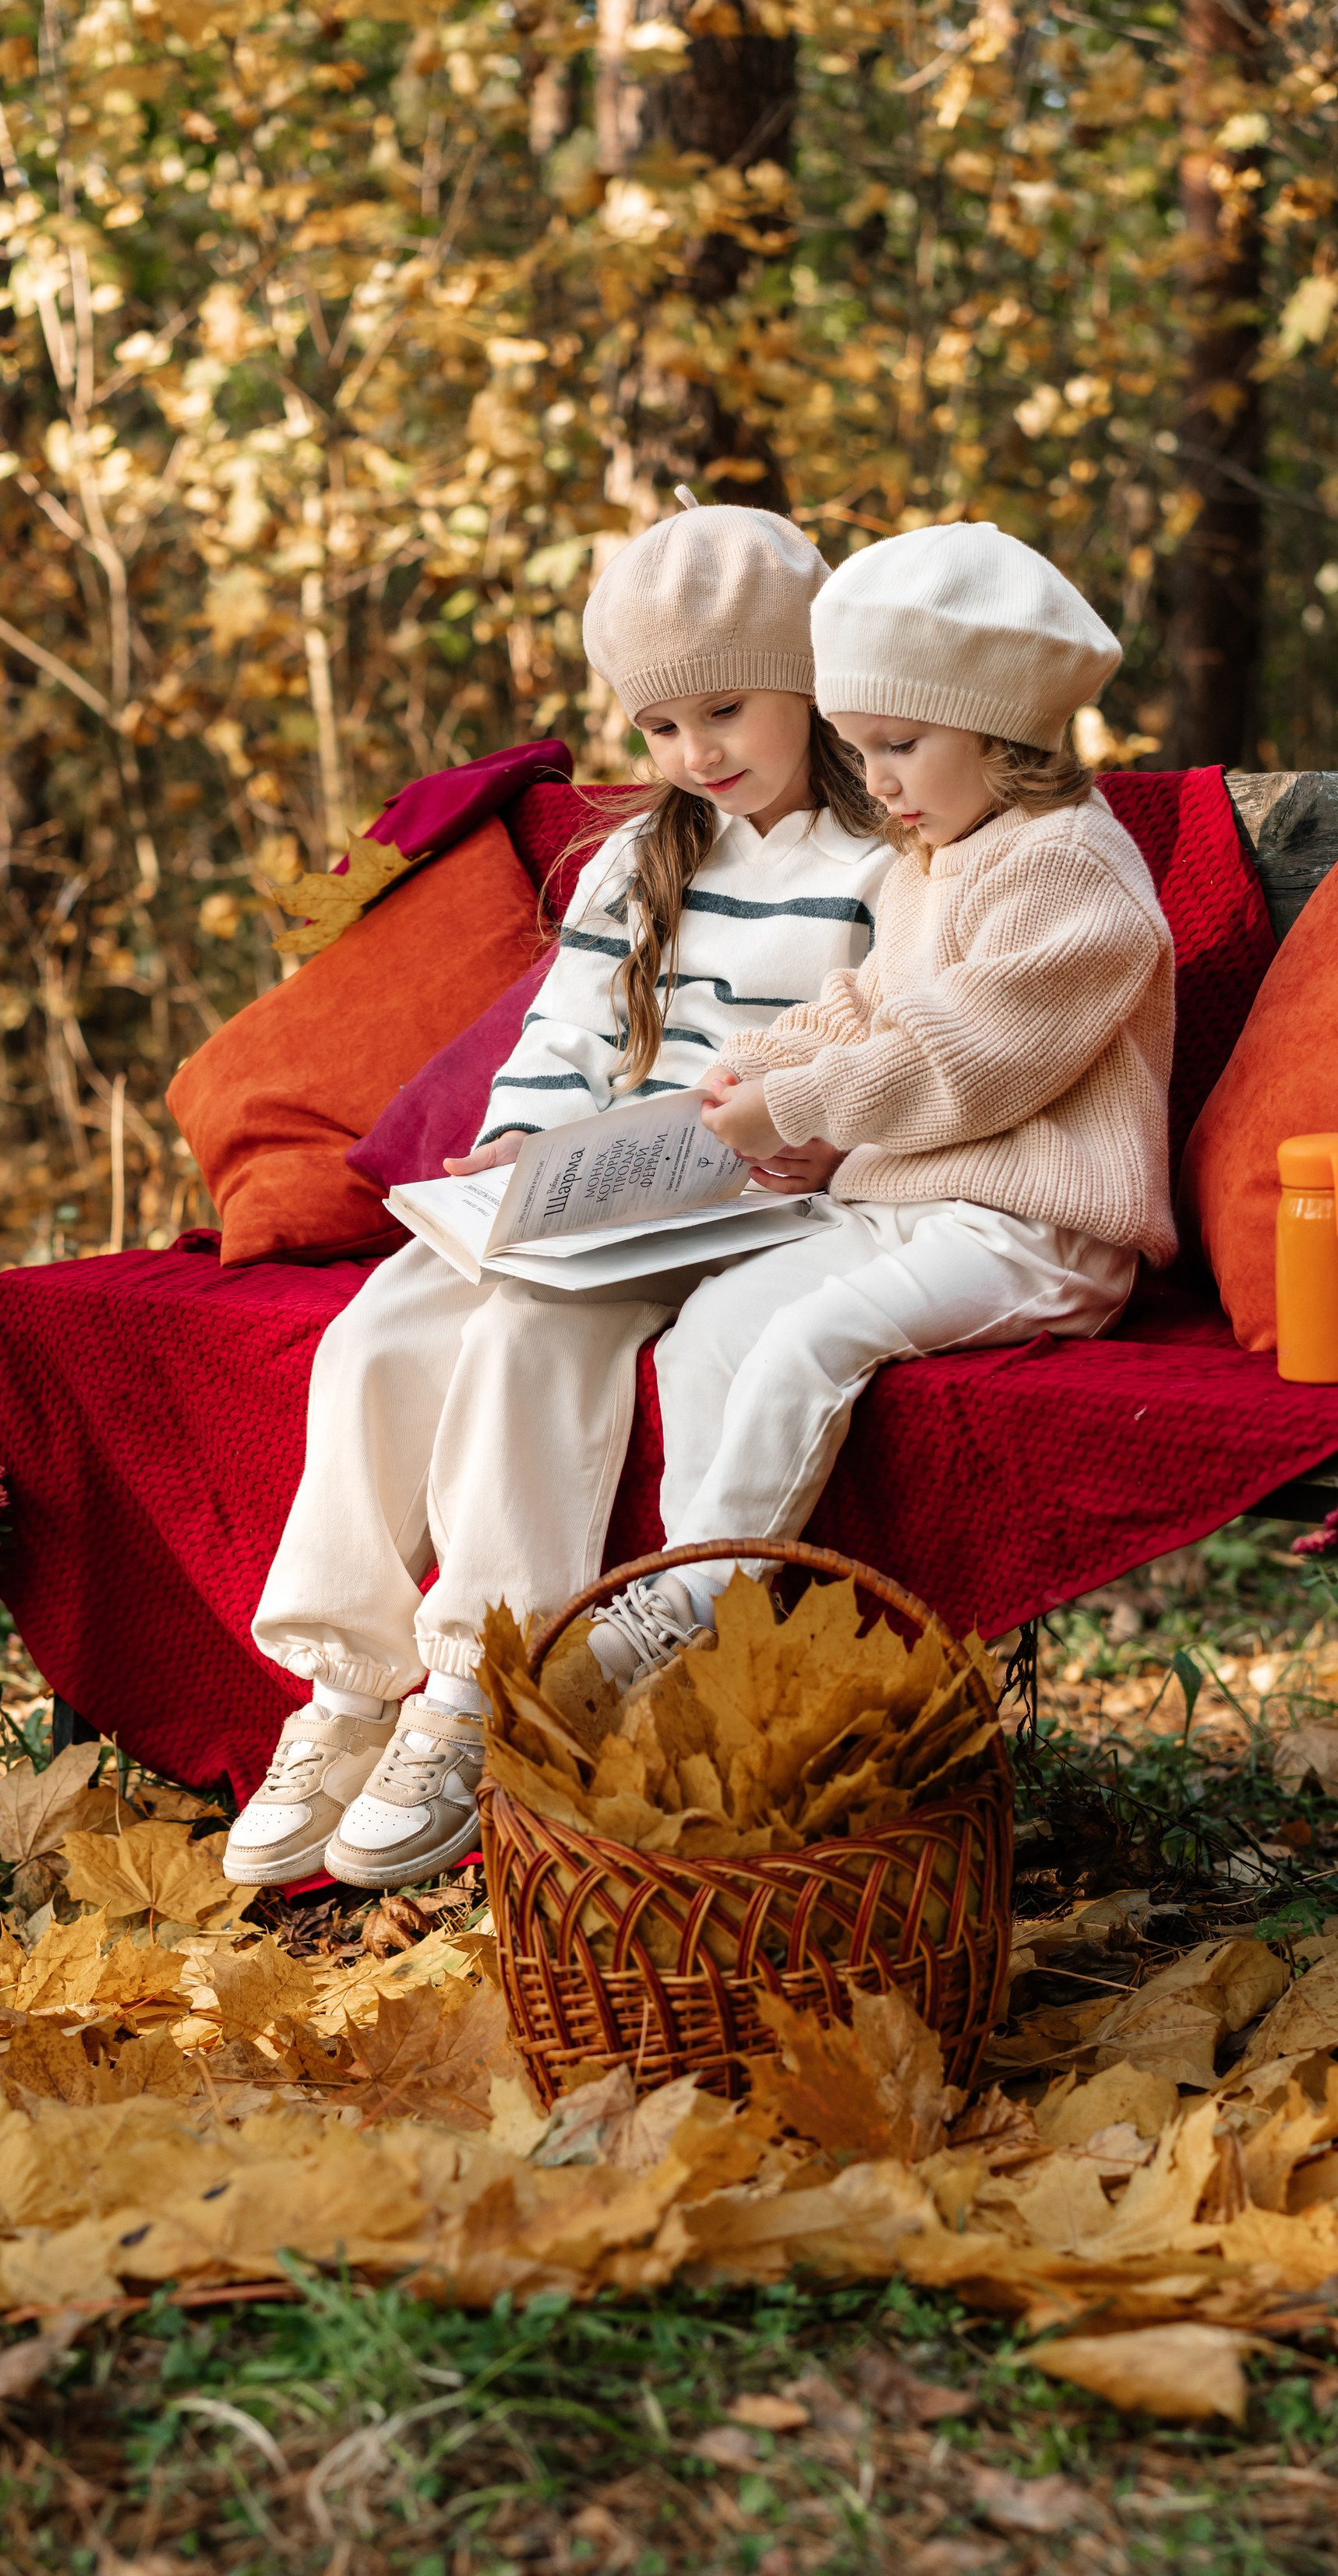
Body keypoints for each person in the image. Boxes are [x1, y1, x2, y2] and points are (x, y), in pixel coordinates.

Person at [222, 503, 891, 1891]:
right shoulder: (637, 860)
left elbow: (888, 1049)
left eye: (727, 709)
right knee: (376, 1331)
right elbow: (564, 1042)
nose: (697, 754)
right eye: (659, 728)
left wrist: (802, 1140)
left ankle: (475, 1687)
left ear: (813, 683)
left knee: (533, 1326)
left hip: (753, 1195)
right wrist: (520, 1147)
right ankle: (344, 1692)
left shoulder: (886, 858)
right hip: (594, 1179)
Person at [585, 520, 1177, 1692]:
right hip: (912, 1209)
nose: (878, 781)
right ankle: (699, 1599)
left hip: (1036, 1231)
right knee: (715, 1323)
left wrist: (797, 1106)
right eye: (859, 750)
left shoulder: (1069, 871)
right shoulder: (937, 853)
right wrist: (758, 1063)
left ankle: (705, 1596)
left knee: (814, 1338)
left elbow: (963, 1055)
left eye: (899, 744)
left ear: (1002, 726)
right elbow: (865, 1004)